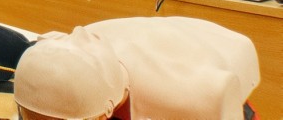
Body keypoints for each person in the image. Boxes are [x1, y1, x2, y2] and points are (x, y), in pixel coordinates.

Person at [14, 16, 260, 120]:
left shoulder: (192, 94)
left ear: (103, 114)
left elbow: (224, 100)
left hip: (216, 66)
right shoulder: (59, 55)